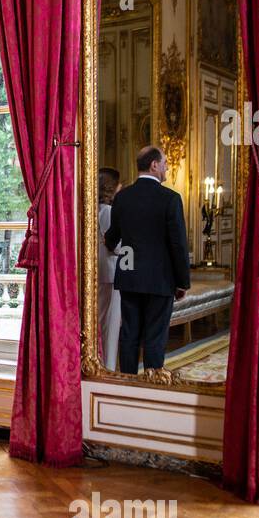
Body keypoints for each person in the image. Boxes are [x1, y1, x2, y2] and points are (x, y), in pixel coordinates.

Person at [103, 145, 191, 374]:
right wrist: (182, 282)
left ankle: (127, 383)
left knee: (129, 335)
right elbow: (178, 245)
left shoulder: (123, 197)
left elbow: (113, 237)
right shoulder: (170, 199)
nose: (167, 168)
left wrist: (110, 244)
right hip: (160, 281)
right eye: (164, 164)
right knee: (155, 336)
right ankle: (152, 386)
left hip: (129, 276)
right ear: (154, 165)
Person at [96, 167, 122, 370]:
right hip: (111, 273)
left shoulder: (93, 209)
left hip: (99, 272)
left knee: (102, 323)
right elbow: (116, 245)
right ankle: (108, 368)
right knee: (110, 327)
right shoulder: (108, 212)